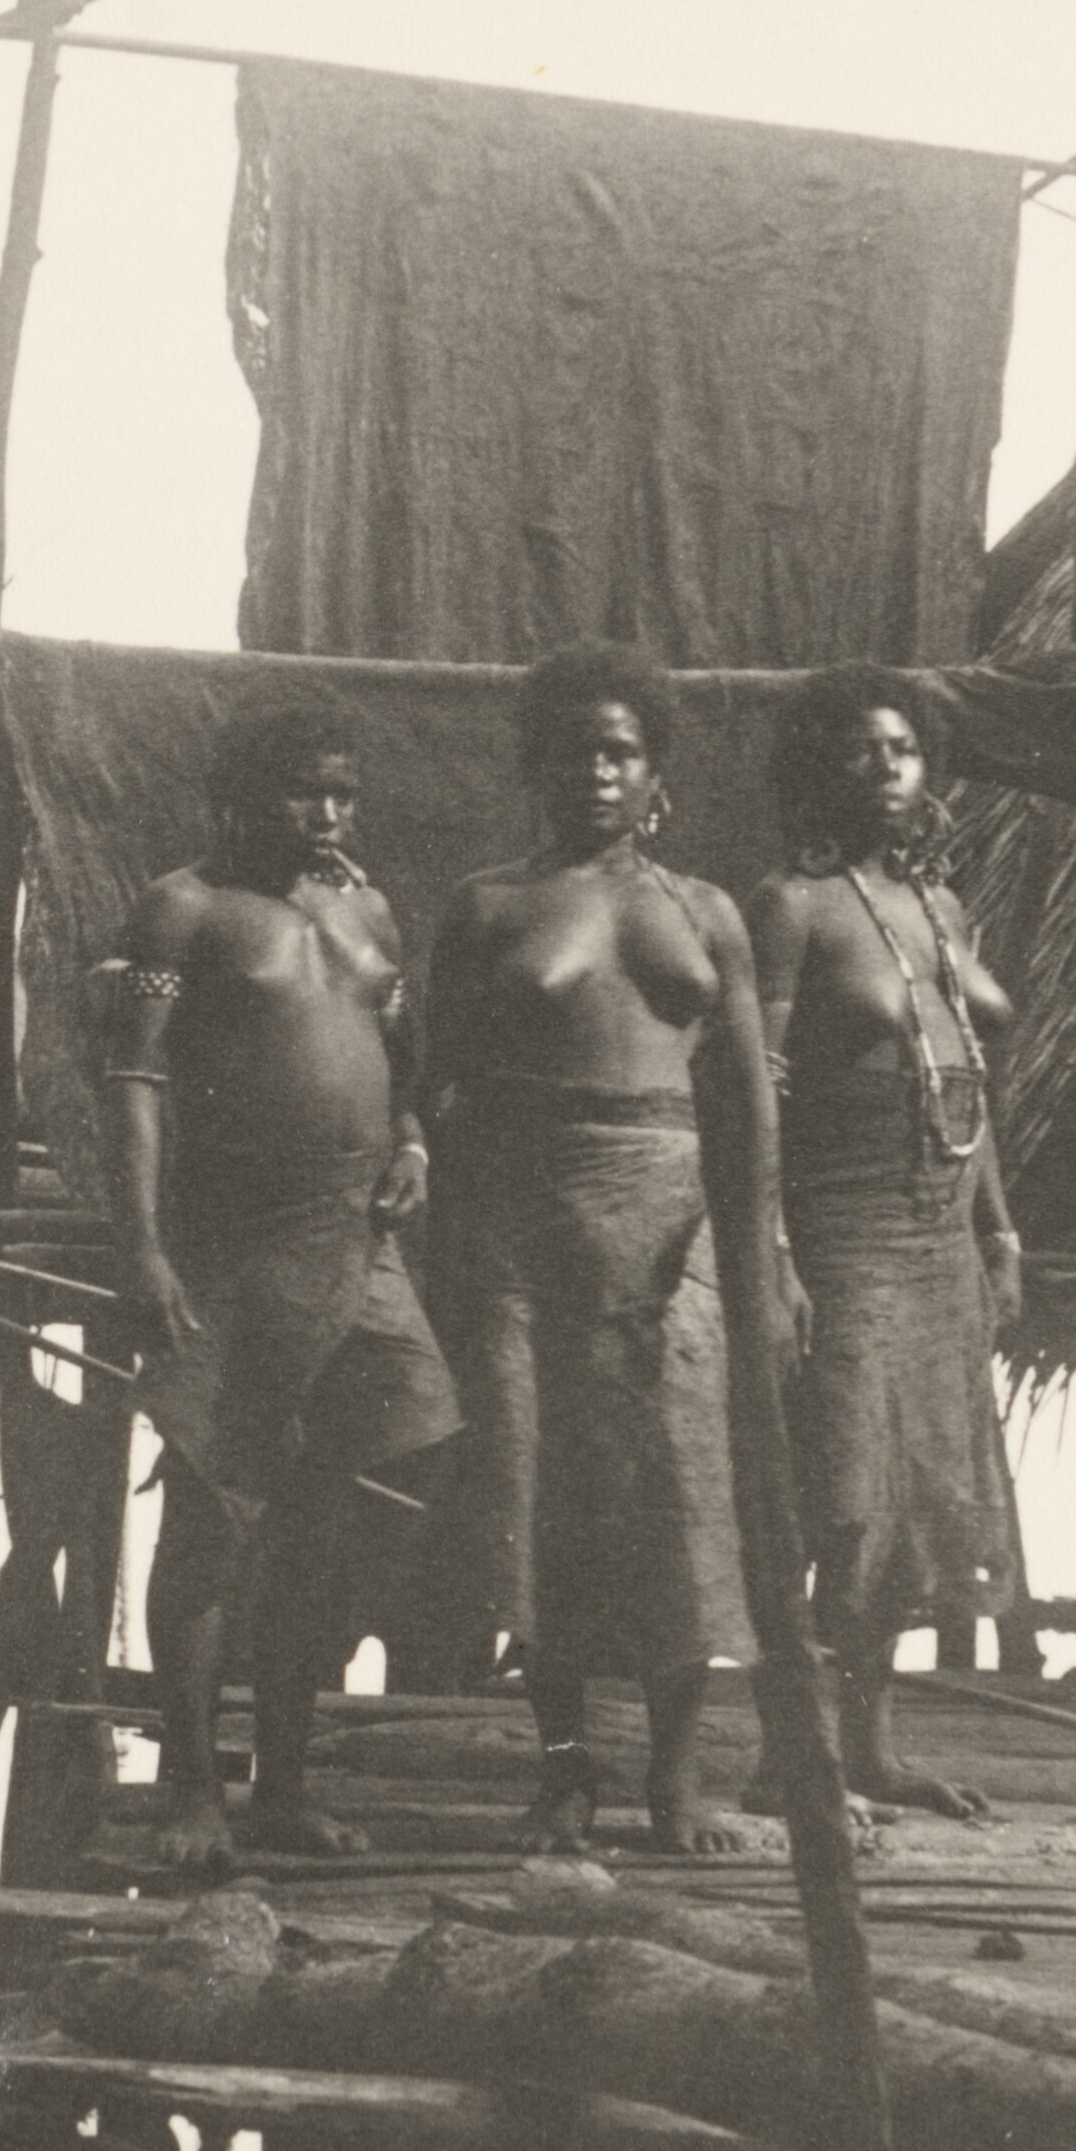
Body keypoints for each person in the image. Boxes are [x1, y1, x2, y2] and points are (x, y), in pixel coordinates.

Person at [423, 642, 793, 1853]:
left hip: (674, 1224)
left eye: (619, 751)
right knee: (542, 1499)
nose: (595, 771)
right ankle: (567, 1768)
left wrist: (768, 1256)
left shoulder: (707, 913)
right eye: (573, 751)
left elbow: (745, 1102)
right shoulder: (489, 907)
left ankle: (677, 1782)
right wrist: (465, 1251)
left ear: (653, 773)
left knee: (679, 1498)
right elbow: (441, 1091)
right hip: (526, 1231)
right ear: (537, 768)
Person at [87, 685, 460, 1863]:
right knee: (210, 1505)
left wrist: (411, 1144)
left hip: (360, 1240)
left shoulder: (371, 915)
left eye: (344, 789)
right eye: (304, 788)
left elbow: (403, 1062)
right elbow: (136, 1080)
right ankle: (194, 1787)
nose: (328, 811)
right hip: (231, 1243)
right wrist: (141, 1246)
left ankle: (285, 1780)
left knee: (387, 1473)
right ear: (237, 795)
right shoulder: (180, 912)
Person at [742, 668, 1023, 1811]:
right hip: (844, 1229)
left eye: (905, 748)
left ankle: (873, 1744)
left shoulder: (946, 912)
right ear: (821, 770)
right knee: (841, 1498)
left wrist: (1000, 1229)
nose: (889, 769)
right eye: (862, 751)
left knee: (917, 1509)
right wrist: (770, 1246)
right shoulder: (789, 908)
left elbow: (969, 1080)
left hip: (943, 1235)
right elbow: (756, 1084)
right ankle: (788, 1755)